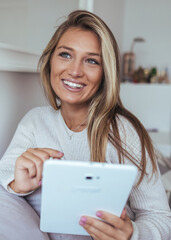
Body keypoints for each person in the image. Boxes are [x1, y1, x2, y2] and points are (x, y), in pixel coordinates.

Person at [0, 10, 171, 240]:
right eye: (65, 55)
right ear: (50, 60)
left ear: (105, 73)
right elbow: (5, 176)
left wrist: (133, 234)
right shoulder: (35, 121)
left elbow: (160, 217)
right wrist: (17, 184)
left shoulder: (125, 132)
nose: (75, 71)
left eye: (91, 61)